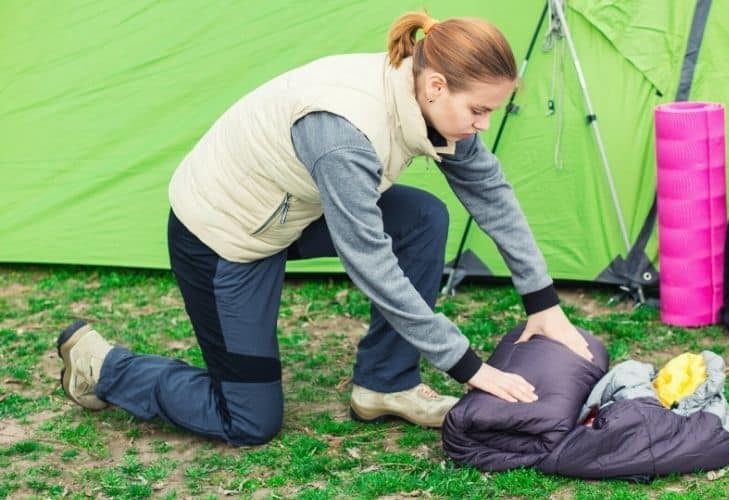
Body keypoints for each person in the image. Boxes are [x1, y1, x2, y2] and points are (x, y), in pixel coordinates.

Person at [57, 11, 592, 446]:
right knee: (249, 420)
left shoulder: (432, 99)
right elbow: (370, 261)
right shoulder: (345, 132)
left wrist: (543, 305)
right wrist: (466, 365)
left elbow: (491, 192)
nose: (482, 125)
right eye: (478, 110)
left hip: (293, 213)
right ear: (434, 85)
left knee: (423, 218)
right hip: (224, 239)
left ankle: (386, 384)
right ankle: (103, 366)